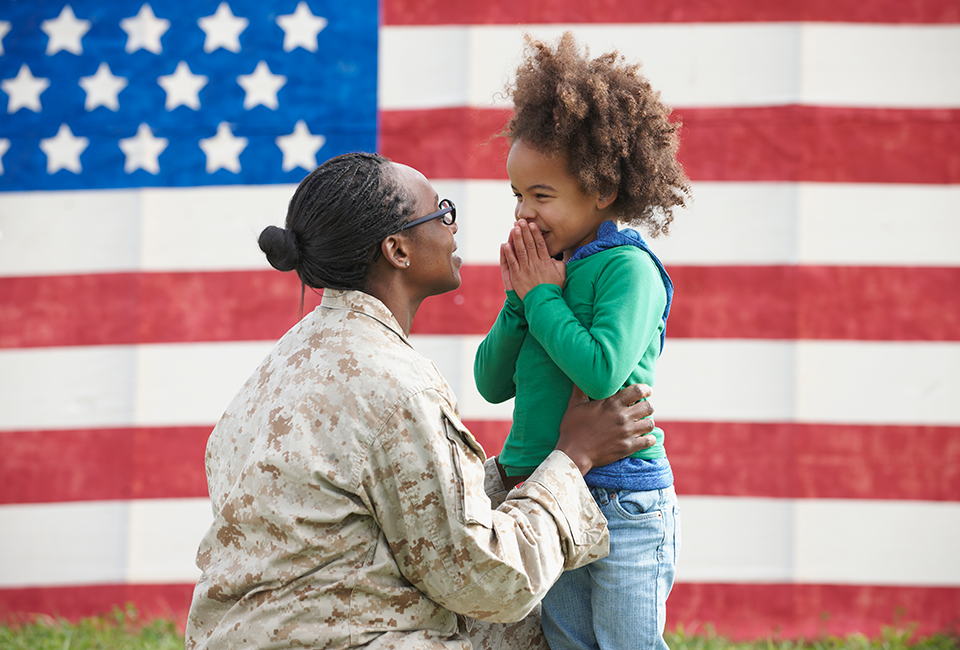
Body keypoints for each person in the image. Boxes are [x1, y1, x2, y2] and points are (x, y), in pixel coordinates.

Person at [185, 151, 662, 650]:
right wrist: (573, 457)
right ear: (398, 250)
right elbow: (490, 583)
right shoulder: (395, 386)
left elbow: (417, 508)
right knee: (535, 623)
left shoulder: (287, 359)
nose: (455, 228)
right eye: (441, 213)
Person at [473, 33, 692, 650]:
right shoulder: (543, 272)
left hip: (624, 499)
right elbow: (491, 382)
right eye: (517, 195)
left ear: (601, 190)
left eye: (542, 196)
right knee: (567, 641)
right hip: (554, 492)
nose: (524, 213)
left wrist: (541, 296)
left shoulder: (628, 268)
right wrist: (521, 300)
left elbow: (599, 373)